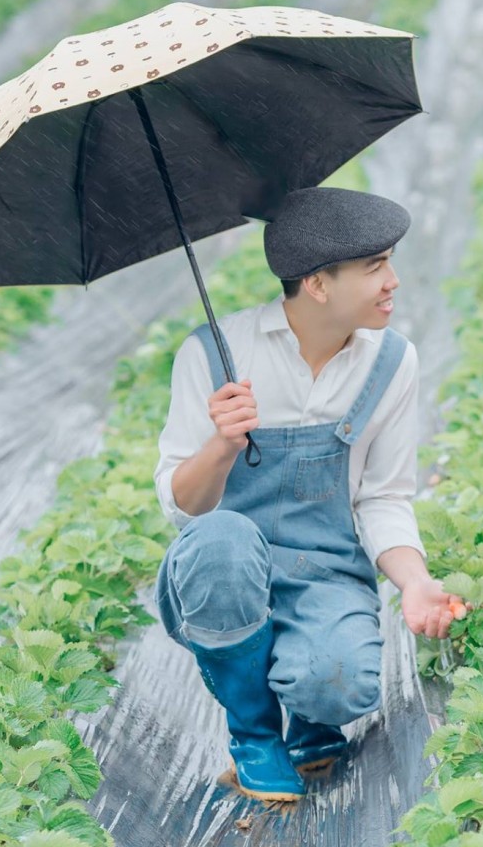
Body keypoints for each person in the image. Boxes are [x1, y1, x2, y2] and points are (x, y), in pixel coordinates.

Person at [153, 186, 463, 802]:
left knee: (340, 685)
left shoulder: (392, 362)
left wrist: (415, 581)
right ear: (317, 284)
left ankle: (311, 706)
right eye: (375, 267)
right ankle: (254, 734)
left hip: (324, 568)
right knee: (222, 538)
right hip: (224, 571)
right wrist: (220, 445)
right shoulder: (213, 354)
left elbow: (384, 497)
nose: (393, 281)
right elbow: (181, 506)